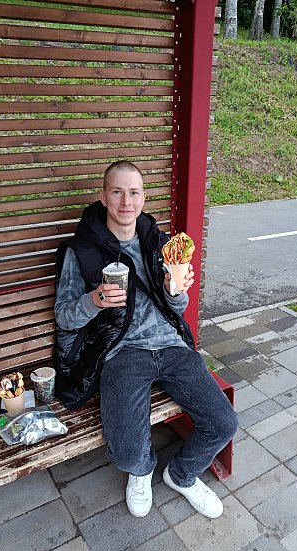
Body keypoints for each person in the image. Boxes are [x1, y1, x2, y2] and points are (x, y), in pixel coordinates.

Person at [54, 160, 238, 519]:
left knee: (224, 423)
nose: (126, 202)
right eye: (117, 192)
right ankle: (141, 471)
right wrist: (95, 300)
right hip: (122, 352)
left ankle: (181, 475)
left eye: (134, 192)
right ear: (104, 197)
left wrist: (175, 291)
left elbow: (179, 306)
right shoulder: (81, 251)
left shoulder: (162, 244)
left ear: (143, 198)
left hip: (171, 345)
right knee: (125, 453)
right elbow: (63, 316)